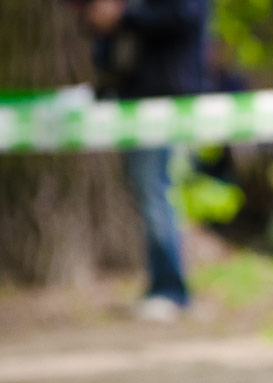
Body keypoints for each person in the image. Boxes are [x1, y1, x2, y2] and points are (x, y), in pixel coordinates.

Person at [81, 0, 209, 321]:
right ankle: (164, 285)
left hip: (166, 95)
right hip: (131, 95)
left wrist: (124, 15)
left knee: (155, 191)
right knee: (148, 191)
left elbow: (185, 15)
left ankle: (170, 289)